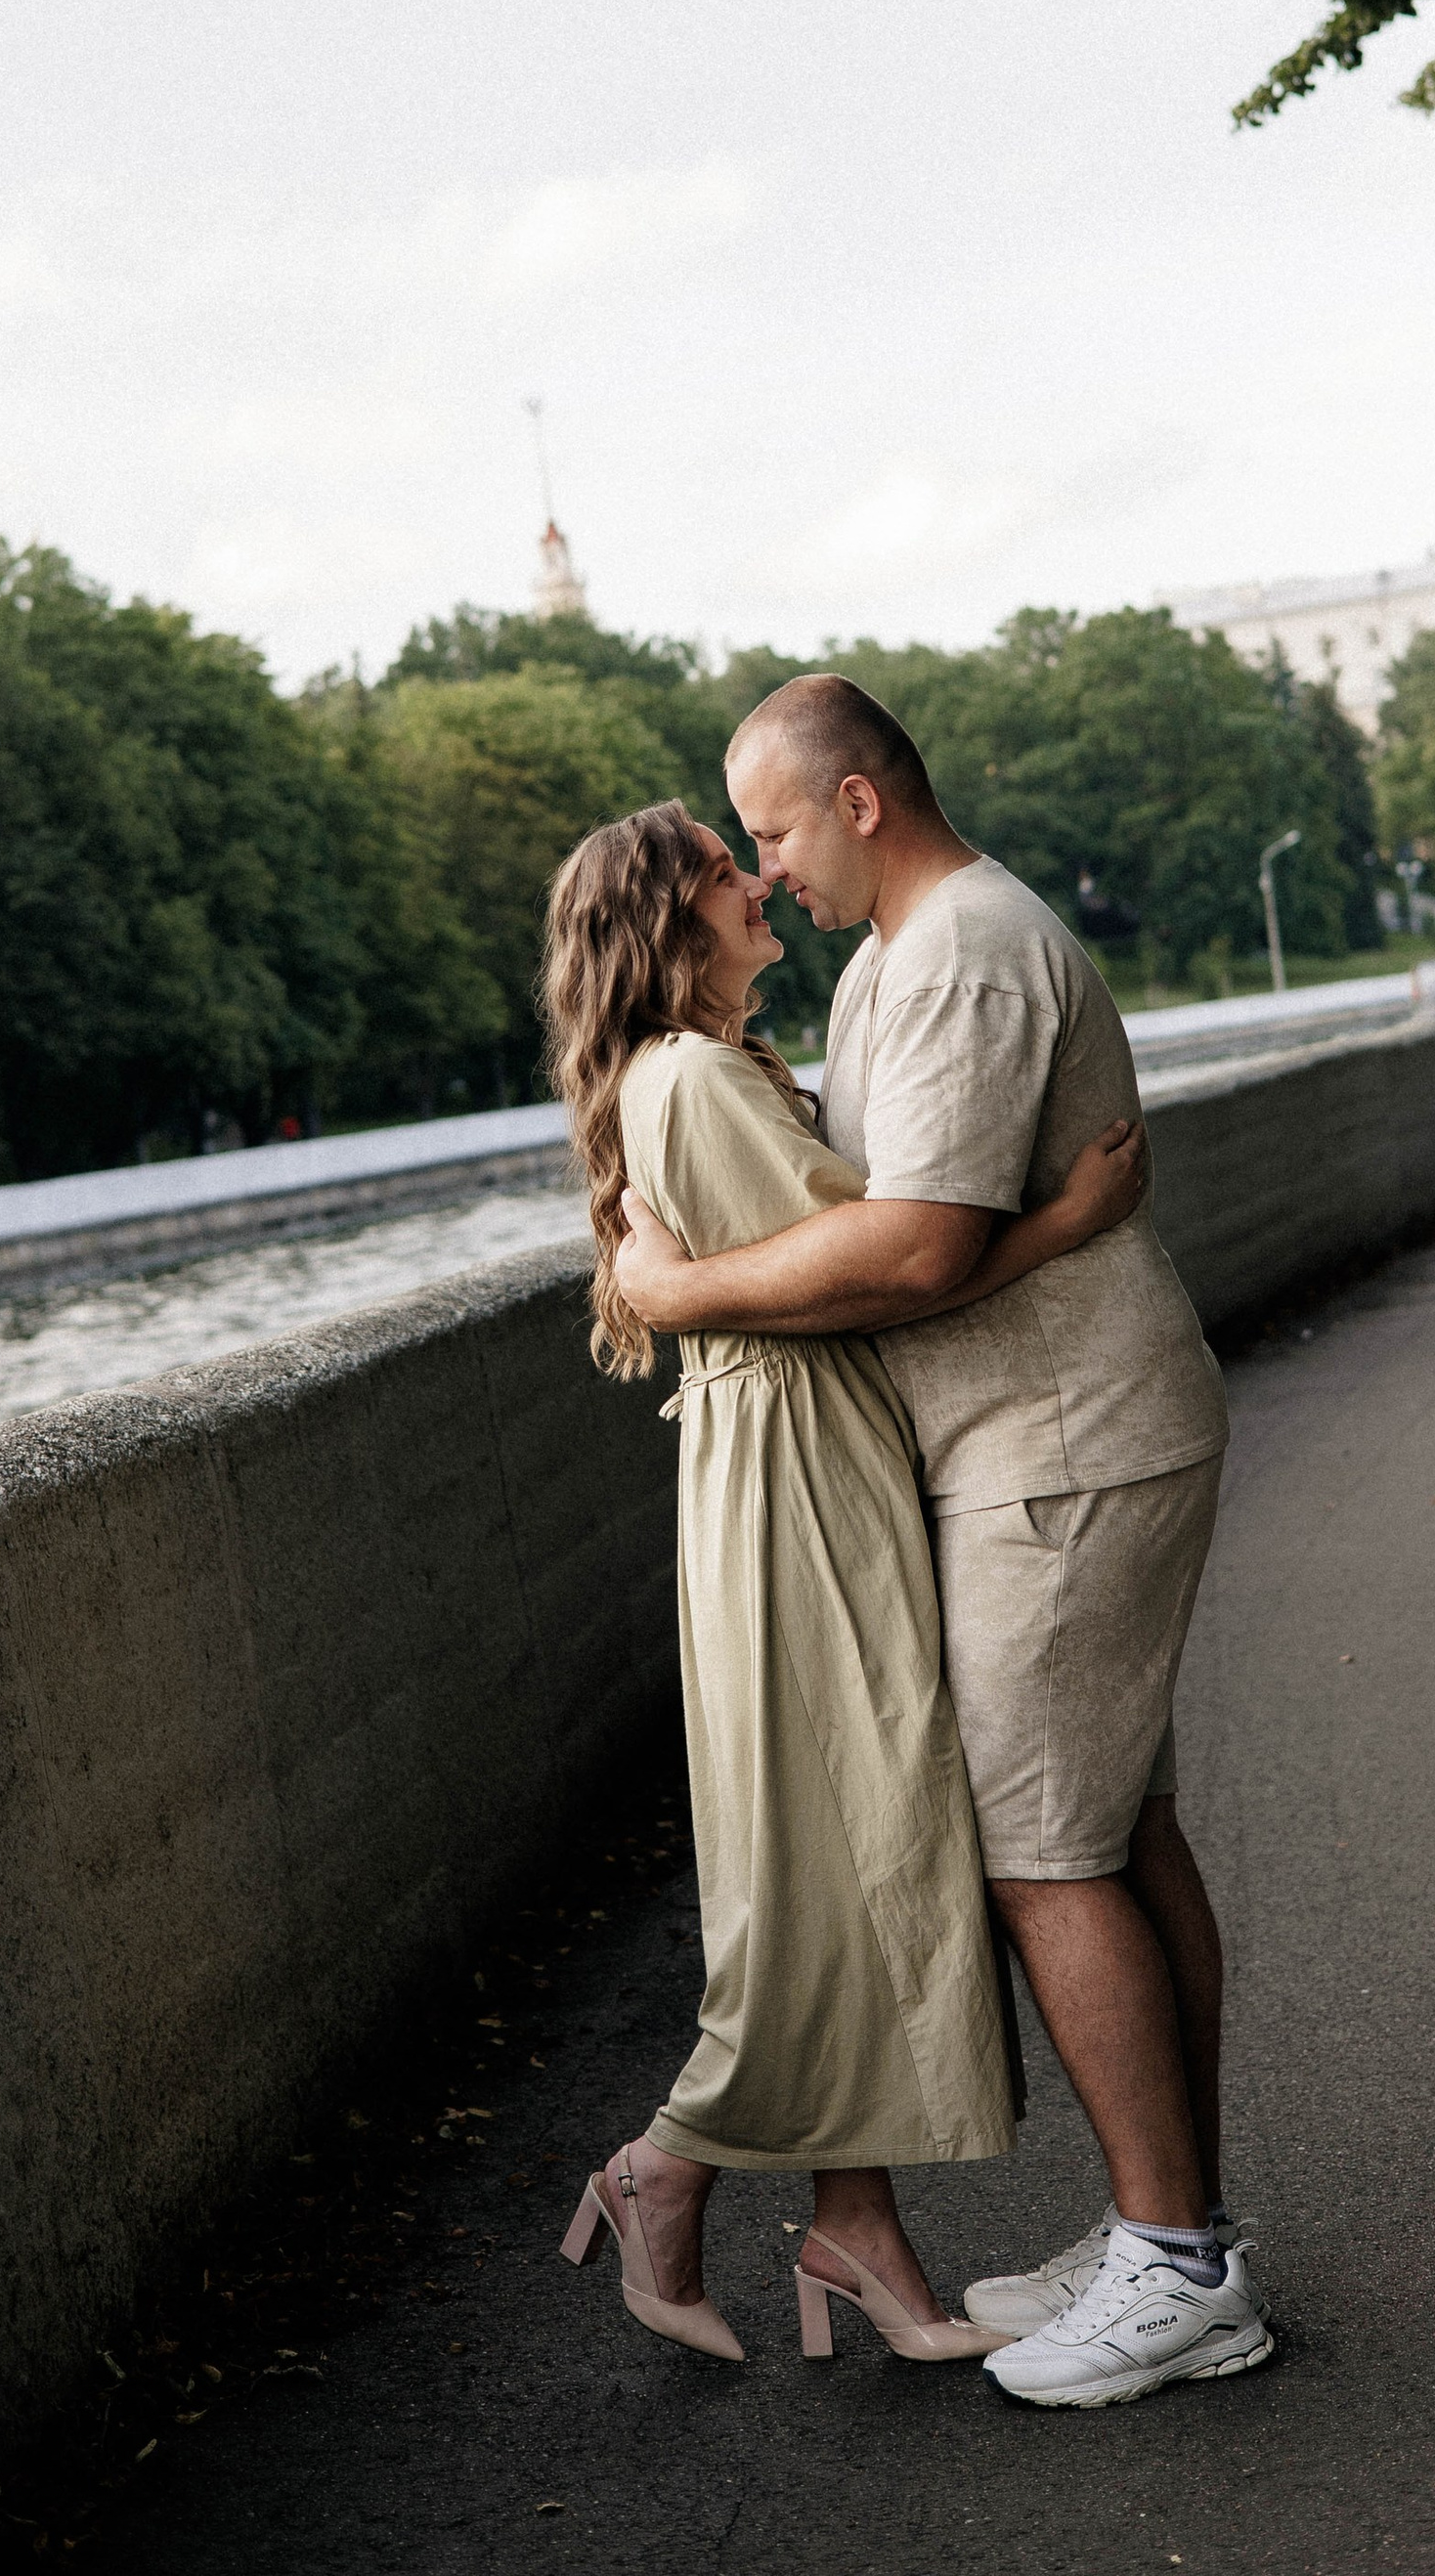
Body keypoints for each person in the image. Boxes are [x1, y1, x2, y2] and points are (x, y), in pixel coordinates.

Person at [617, 677, 1270, 2412]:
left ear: (856, 802)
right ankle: (1174, 2230)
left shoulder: (968, 949)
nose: (761, 872)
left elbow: (910, 1255)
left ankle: (1180, 2264)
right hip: (1041, 1442)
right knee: (1116, 1835)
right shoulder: (909, 955)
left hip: (1057, 1449)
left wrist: (674, 1290)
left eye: (767, 831)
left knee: (1047, 1855)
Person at [542, 801, 1150, 2369]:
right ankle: (665, 2166)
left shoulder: (713, 1068)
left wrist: (675, 1287)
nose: (760, 886)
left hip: (802, 1449)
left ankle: (855, 2224)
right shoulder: (690, 1076)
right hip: (797, 1460)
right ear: (671, 922)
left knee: (845, 1828)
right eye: (725, 870)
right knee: (848, 1823)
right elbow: (880, 1270)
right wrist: (1067, 1221)